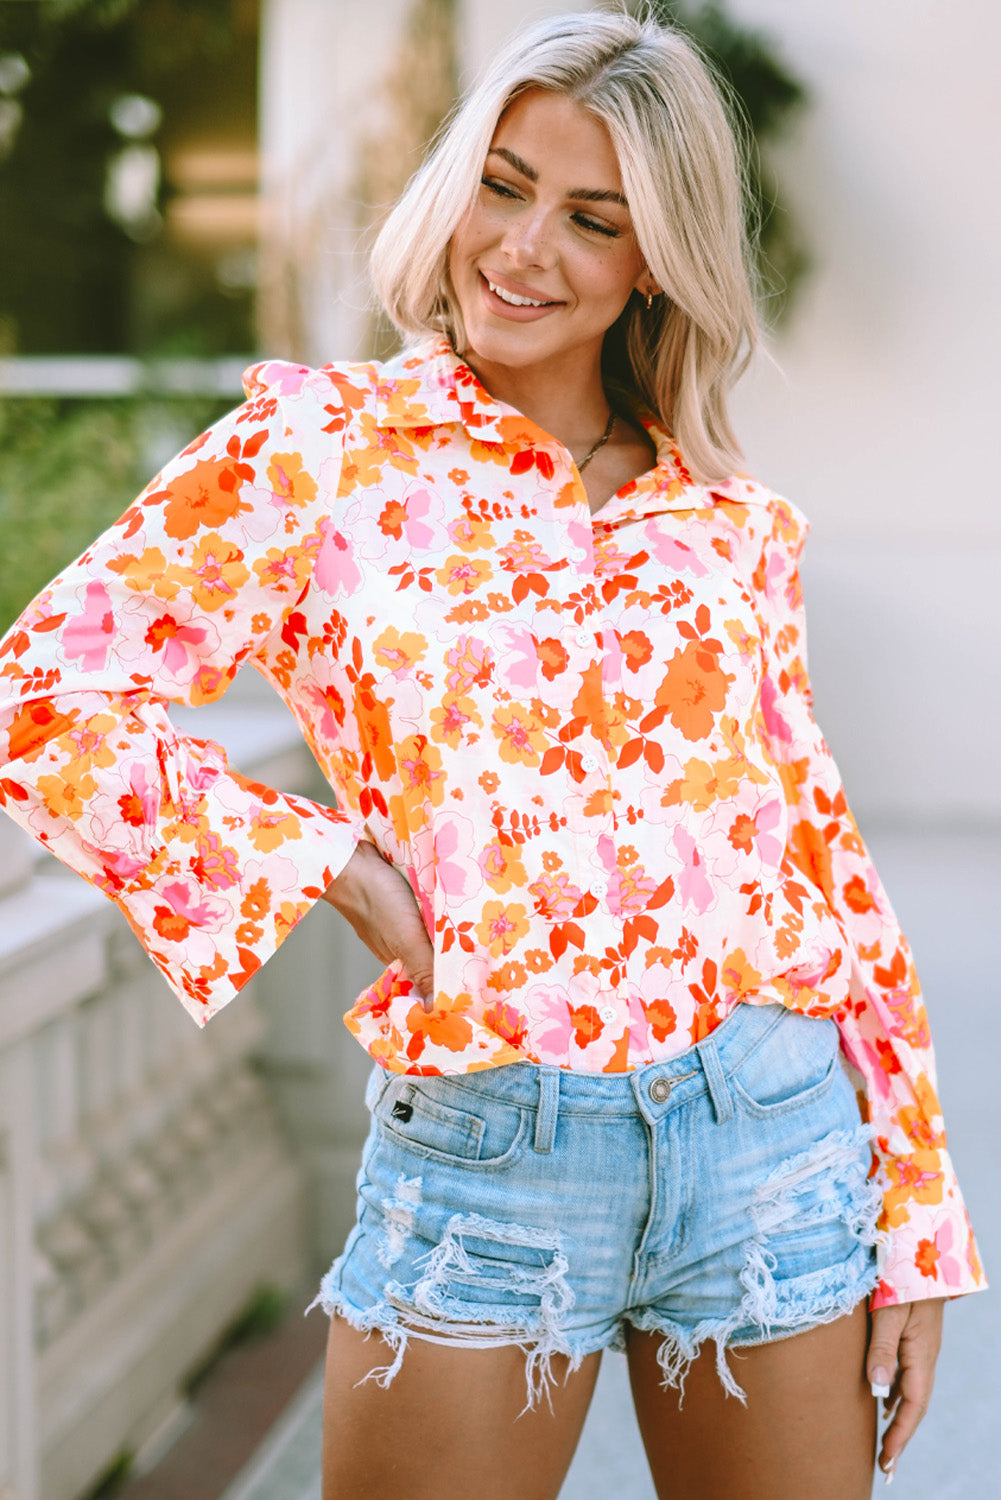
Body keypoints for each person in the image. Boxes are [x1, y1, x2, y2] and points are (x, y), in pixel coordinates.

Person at [0, 8, 985, 1498]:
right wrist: (324, 861)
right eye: (504, 183)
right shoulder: (317, 454)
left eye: (592, 219)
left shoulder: (724, 518)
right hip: (489, 1141)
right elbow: (43, 698)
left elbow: (814, 856)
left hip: (774, 1136)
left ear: (655, 256)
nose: (522, 247)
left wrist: (915, 1209)